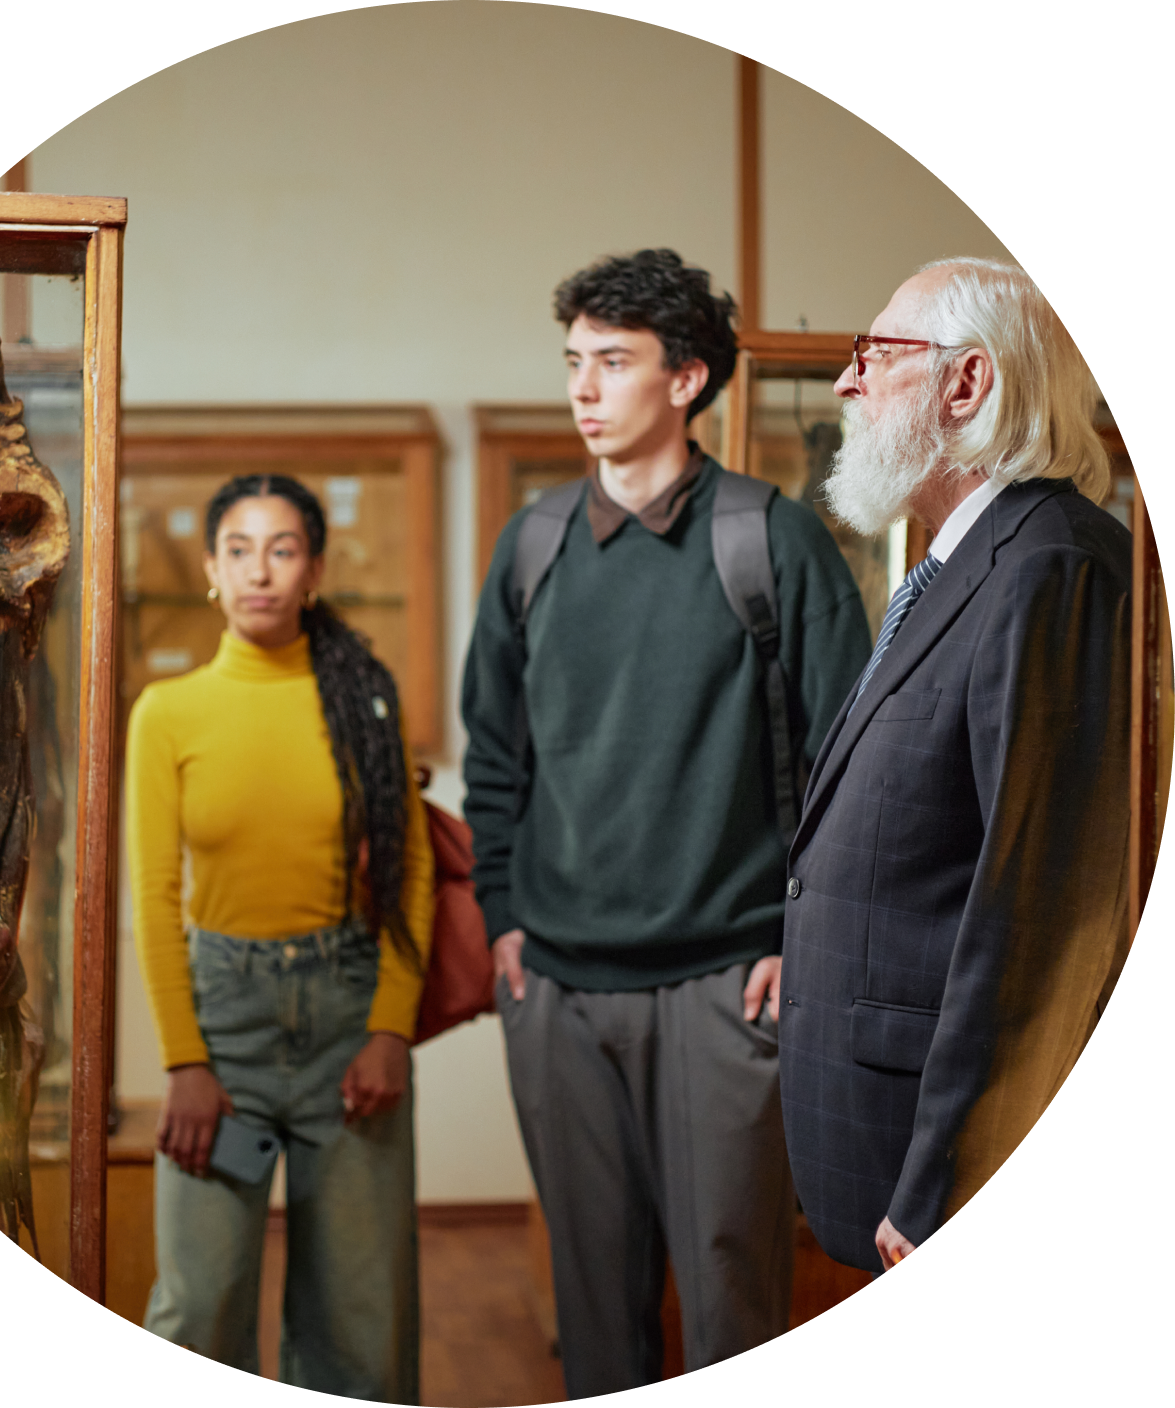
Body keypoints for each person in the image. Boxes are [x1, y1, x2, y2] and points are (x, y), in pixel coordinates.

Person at [460, 248, 874, 1395]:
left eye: (612, 362)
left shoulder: (768, 539)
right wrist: (502, 915)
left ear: (685, 379)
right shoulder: (533, 546)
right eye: (571, 364)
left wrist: (803, 939)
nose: (582, 389)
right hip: (555, 986)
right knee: (592, 1312)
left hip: (724, 984)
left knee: (733, 1295)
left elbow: (850, 765)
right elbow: (492, 756)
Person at [778, 258, 1131, 1275]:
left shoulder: (1050, 566)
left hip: (944, 1153)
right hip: (882, 1114)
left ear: (964, 384)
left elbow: (1042, 916)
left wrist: (954, 1172)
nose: (844, 383)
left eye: (873, 355)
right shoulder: (954, 565)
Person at [125, 473, 433, 1399]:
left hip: (349, 1019)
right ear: (213, 572)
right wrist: (185, 1062)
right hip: (224, 1034)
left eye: (284, 548)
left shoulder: (367, 701)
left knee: (360, 1323)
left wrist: (390, 1030)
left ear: (315, 570)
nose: (260, 569)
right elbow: (151, 892)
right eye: (239, 549)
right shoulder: (167, 714)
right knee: (198, 1306)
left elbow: (410, 876)